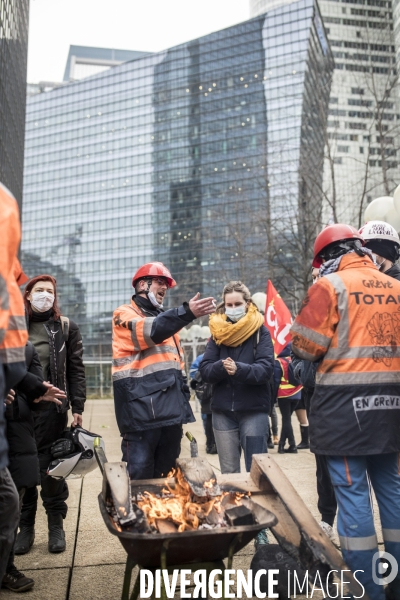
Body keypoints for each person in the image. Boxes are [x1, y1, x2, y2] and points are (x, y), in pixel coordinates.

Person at [291, 223, 400, 600]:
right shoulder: (397, 287)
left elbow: (304, 347)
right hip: (393, 414)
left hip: (345, 415)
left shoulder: (329, 287)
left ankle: (367, 591)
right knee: (394, 497)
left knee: (354, 504)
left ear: (326, 258)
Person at [112, 262, 215, 480]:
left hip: (169, 415)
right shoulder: (124, 314)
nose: (165, 288)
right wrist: (186, 313)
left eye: (167, 284)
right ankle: (138, 515)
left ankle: (161, 516)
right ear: (142, 284)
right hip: (140, 414)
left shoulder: (169, 322)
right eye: (160, 282)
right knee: (139, 478)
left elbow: (177, 367)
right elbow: (151, 330)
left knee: (167, 479)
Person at [15, 274, 86, 555]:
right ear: (28, 295)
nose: (46, 295)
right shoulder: (13, 327)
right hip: (19, 411)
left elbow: (76, 370)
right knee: (23, 471)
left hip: (53, 410)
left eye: (50, 291)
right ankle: (26, 528)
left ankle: (56, 525)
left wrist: (77, 406)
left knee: (52, 472)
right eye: (39, 290)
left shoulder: (65, 327)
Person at [3, 341, 64, 592]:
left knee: (10, 504)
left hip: (18, 435)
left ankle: (6, 568)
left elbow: (36, 393)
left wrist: (40, 396)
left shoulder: (26, 349)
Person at [199, 281, 274, 473]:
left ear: (247, 303)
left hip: (254, 412)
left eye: (237, 304)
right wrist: (221, 367)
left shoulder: (261, 332)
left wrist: (238, 369)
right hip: (222, 413)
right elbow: (205, 370)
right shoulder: (217, 333)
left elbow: (266, 369)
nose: (232, 309)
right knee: (229, 475)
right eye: (229, 305)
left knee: (256, 472)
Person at [274, 344, 302, 454]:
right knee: (287, 420)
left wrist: (273, 396)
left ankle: (292, 445)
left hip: (284, 394)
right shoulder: (295, 359)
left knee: (286, 420)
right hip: (297, 393)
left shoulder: (279, 361)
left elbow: (276, 381)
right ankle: (282, 445)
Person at [189, 353, 217, 454]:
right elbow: (193, 372)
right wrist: (204, 378)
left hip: (218, 393)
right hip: (207, 394)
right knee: (207, 418)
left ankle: (216, 443)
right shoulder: (202, 358)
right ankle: (210, 444)